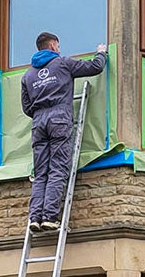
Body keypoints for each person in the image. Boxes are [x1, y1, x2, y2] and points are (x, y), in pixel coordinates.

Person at [20, 32, 107, 231]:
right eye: (58, 46)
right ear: (52, 46)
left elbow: (26, 108)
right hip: (59, 118)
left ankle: (35, 218)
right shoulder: (62, 64)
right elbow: (95, 67)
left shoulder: (28, 75)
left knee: (41, 172)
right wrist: (101, 53)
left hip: (39, 123)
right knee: (58, 169)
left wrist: (41, 112)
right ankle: (49, 217)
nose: (59, 49)